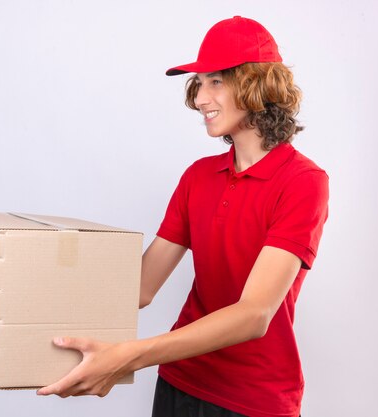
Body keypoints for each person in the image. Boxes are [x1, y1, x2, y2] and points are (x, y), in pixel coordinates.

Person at [37, 15, 329, 417]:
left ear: (256, 84)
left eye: (216, 82)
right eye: (199, 84)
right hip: (179, 383)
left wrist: (130, 356)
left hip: (252, 399)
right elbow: (140, 288)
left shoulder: (302, 182)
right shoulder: (198, 177)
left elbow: (254, 315)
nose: (199, 99)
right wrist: (7, 321)